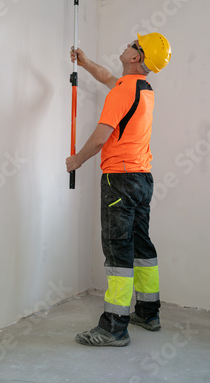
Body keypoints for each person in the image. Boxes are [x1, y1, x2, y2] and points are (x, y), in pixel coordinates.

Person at [66, 32, 171, 347]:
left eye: (132, 44)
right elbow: (110, 78)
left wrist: (76, 161)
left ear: (136, 57)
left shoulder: (122, 93)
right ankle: (148, 313)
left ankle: (114, 328)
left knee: (117, 252)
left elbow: (100, 138)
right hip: (142, 179)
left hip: (119, 182)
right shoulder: (143, 89)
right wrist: (85, 64)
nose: (126, 45)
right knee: (141, 247)